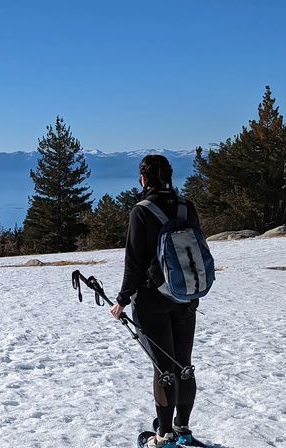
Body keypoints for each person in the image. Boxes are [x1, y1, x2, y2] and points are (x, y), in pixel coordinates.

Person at [110, 155, 202, 448]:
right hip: (186, 296)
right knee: (183, 364)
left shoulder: (142, 211)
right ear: (170, 176)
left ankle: (162, 437)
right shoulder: (186, 206)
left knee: (163, 369)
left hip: (152, 299)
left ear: (144, 179)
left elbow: (134, 262)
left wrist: (122, 300)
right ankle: (182, 428)